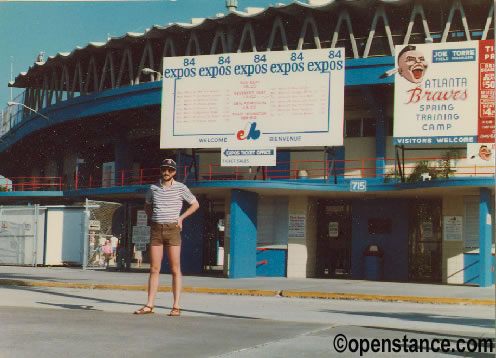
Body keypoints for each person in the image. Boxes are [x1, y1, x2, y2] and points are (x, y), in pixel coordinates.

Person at [134, 158, 199, 316]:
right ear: (161, 170)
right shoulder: (153, 188)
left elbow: (195, 204)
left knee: (175, 268)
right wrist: (153, 219)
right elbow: (147, 205)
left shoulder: (181, 187)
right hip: (156, 229)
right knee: (154, 268)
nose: (166, 172)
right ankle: (150, 305)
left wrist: (181, 218)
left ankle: (176, 306)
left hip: (172, 229)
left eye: (170, 170)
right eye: (164, 169)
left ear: (174, 172)